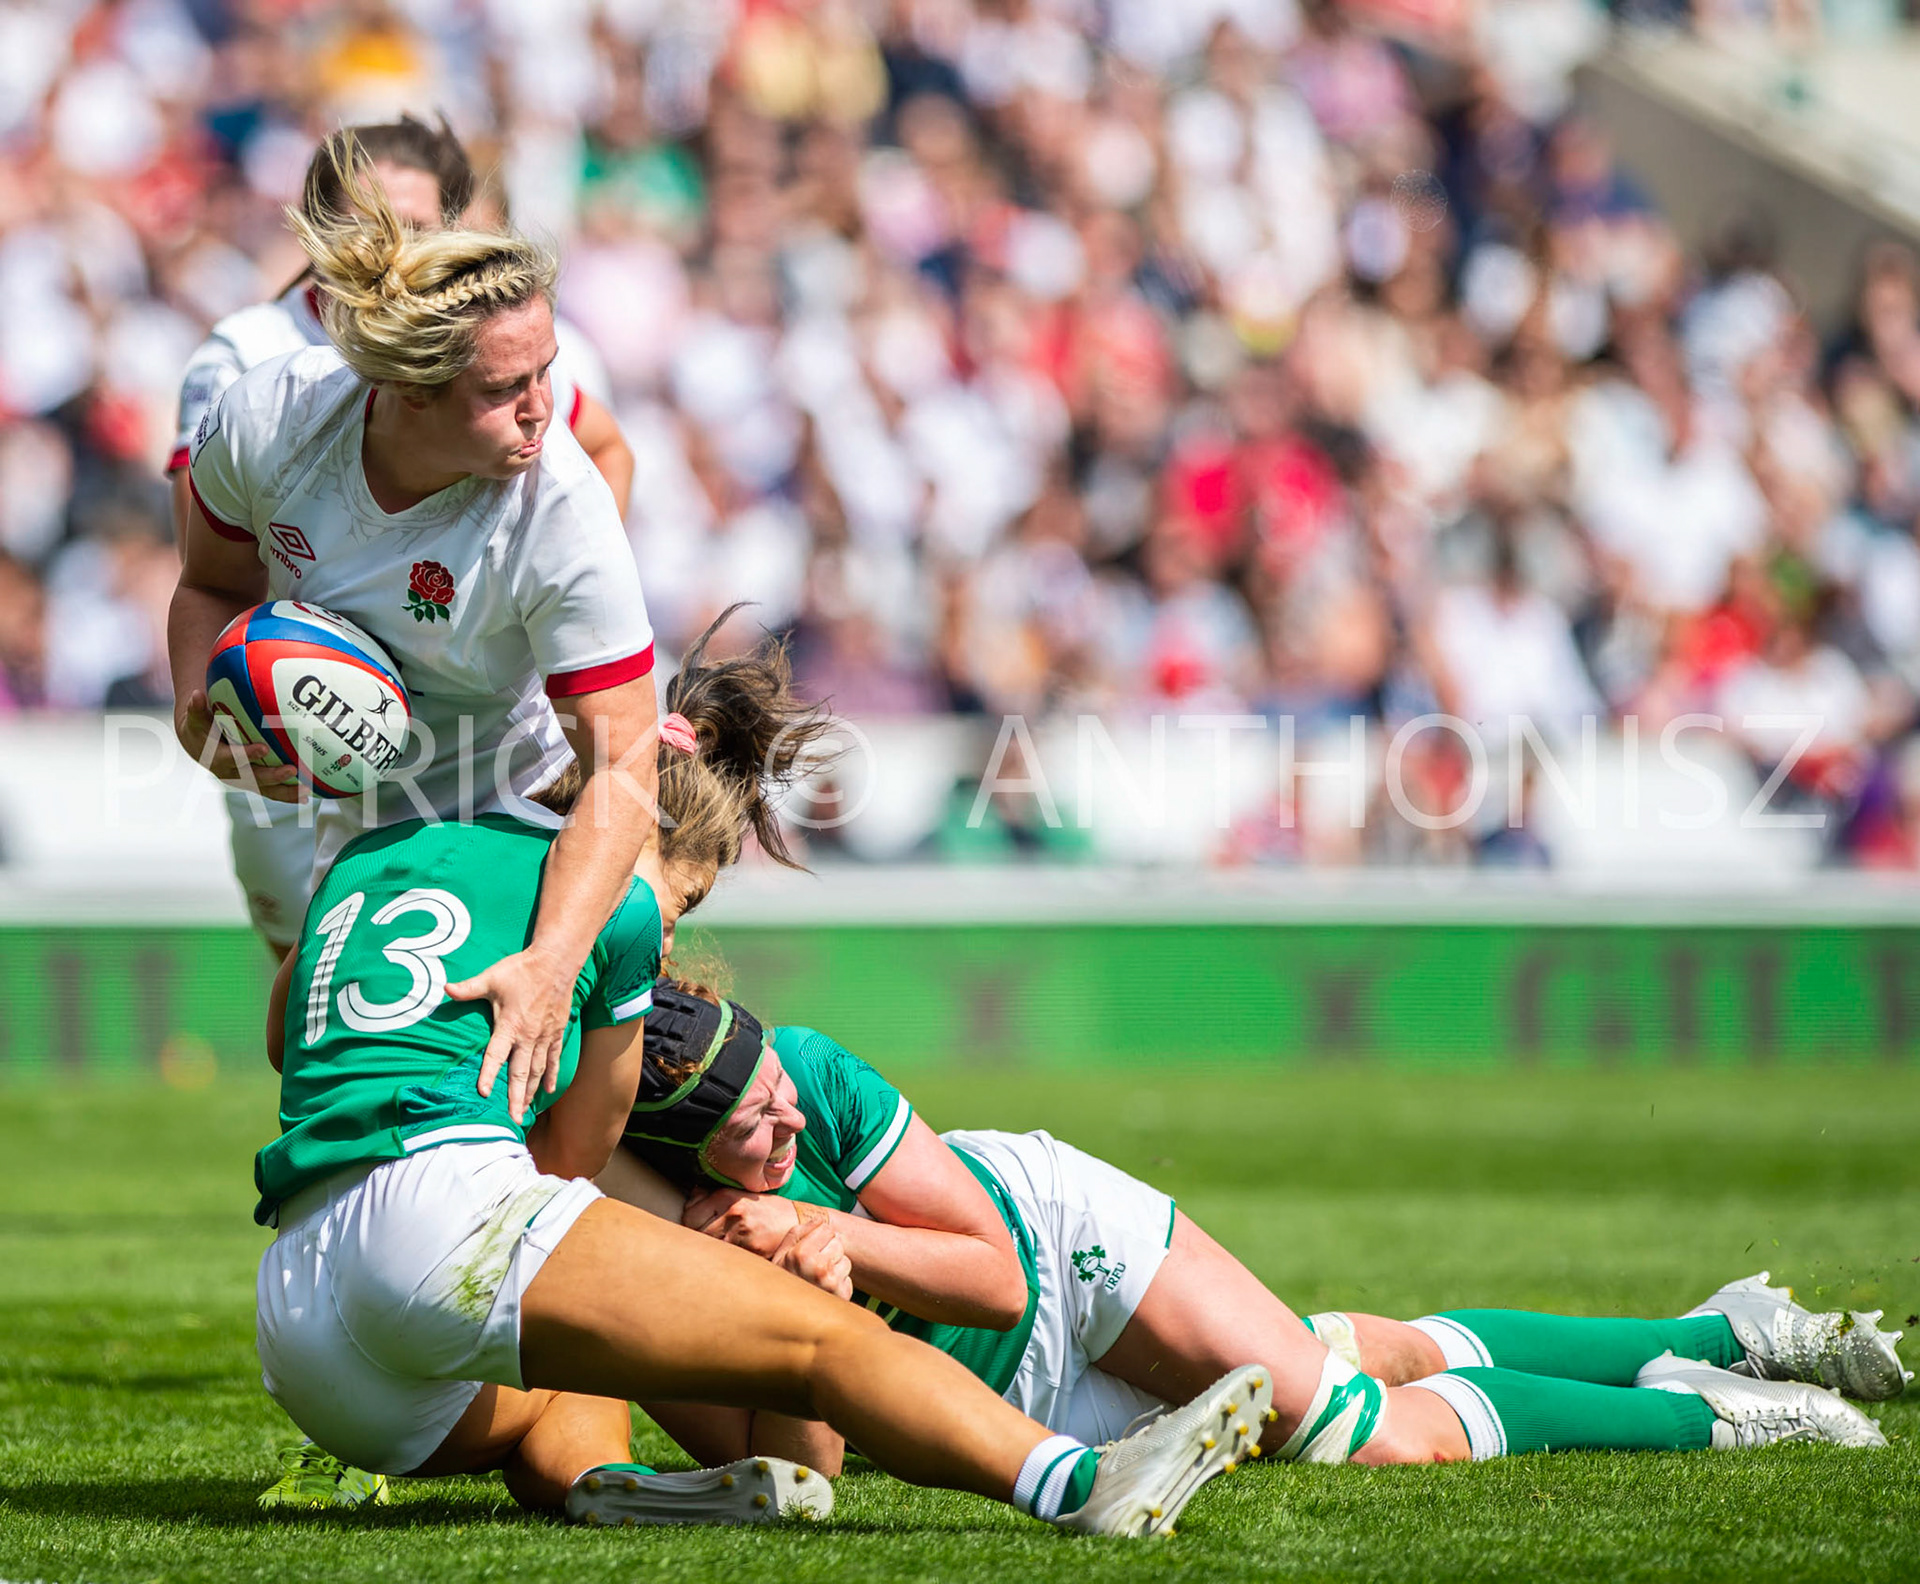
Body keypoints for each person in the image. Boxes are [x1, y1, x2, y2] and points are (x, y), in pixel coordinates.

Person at [254, 620, 1269, 1536]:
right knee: (822, 1340)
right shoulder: (613, 907)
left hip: (310, 1333)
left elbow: (283, 1033)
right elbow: (573, 1158)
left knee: (573, 1362)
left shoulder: (378, 856)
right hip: (439, 1226)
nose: (674, 930)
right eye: (687, 896)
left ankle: (612, 1489)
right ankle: (1081, 1484)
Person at [606, 994, 1900, 1473]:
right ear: (683, 1157)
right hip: (1025, 1408)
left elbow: (995, 1280)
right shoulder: (683, 1242)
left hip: (1061, 1249)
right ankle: (1718, 1328)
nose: (781, 1119)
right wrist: (790, 1300)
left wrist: (844, 1244)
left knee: (1362, 1434)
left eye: (773, 1091)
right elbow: (812, 1466)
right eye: (751, 1131)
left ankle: (1719, 1408)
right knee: (1346, 1352)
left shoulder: (818, 1069)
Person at [168, 138, 654, 1114]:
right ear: (409, 390)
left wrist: (552, 964)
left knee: (528, 1072)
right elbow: (210, 584)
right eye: (502, 392)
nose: (540, 411)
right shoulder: (268, 420)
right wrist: (197, 706)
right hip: (365, 800)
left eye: (547, 373)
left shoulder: (559, 508)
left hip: (526, 789)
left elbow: (625, 768)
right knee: (291, 1048)